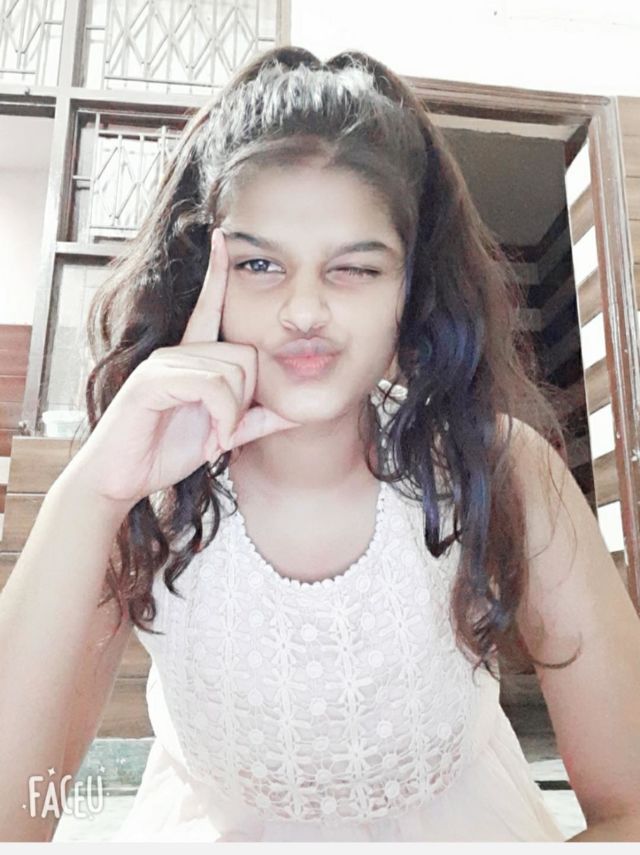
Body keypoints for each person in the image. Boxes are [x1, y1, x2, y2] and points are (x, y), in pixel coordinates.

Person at [3, 45, 640, 843]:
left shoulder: (502, 468)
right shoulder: (141, 492)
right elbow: (14, 815)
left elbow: (630, 804)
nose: (304, 309)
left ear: (411, 290)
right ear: (204, 277)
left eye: (355, 269)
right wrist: (95, 489)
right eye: (259, 263)